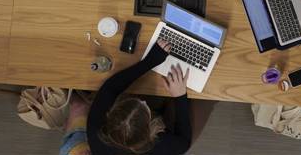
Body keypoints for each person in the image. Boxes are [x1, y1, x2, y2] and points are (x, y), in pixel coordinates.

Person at [59, 40, 200, 155]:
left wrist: (149, 61)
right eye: (144, 107)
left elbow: (110, 87)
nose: (144, 101)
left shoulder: (96, 125)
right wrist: (180, 96)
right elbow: (184, 142)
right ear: (151, 131)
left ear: (111, 113)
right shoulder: (160, 147)